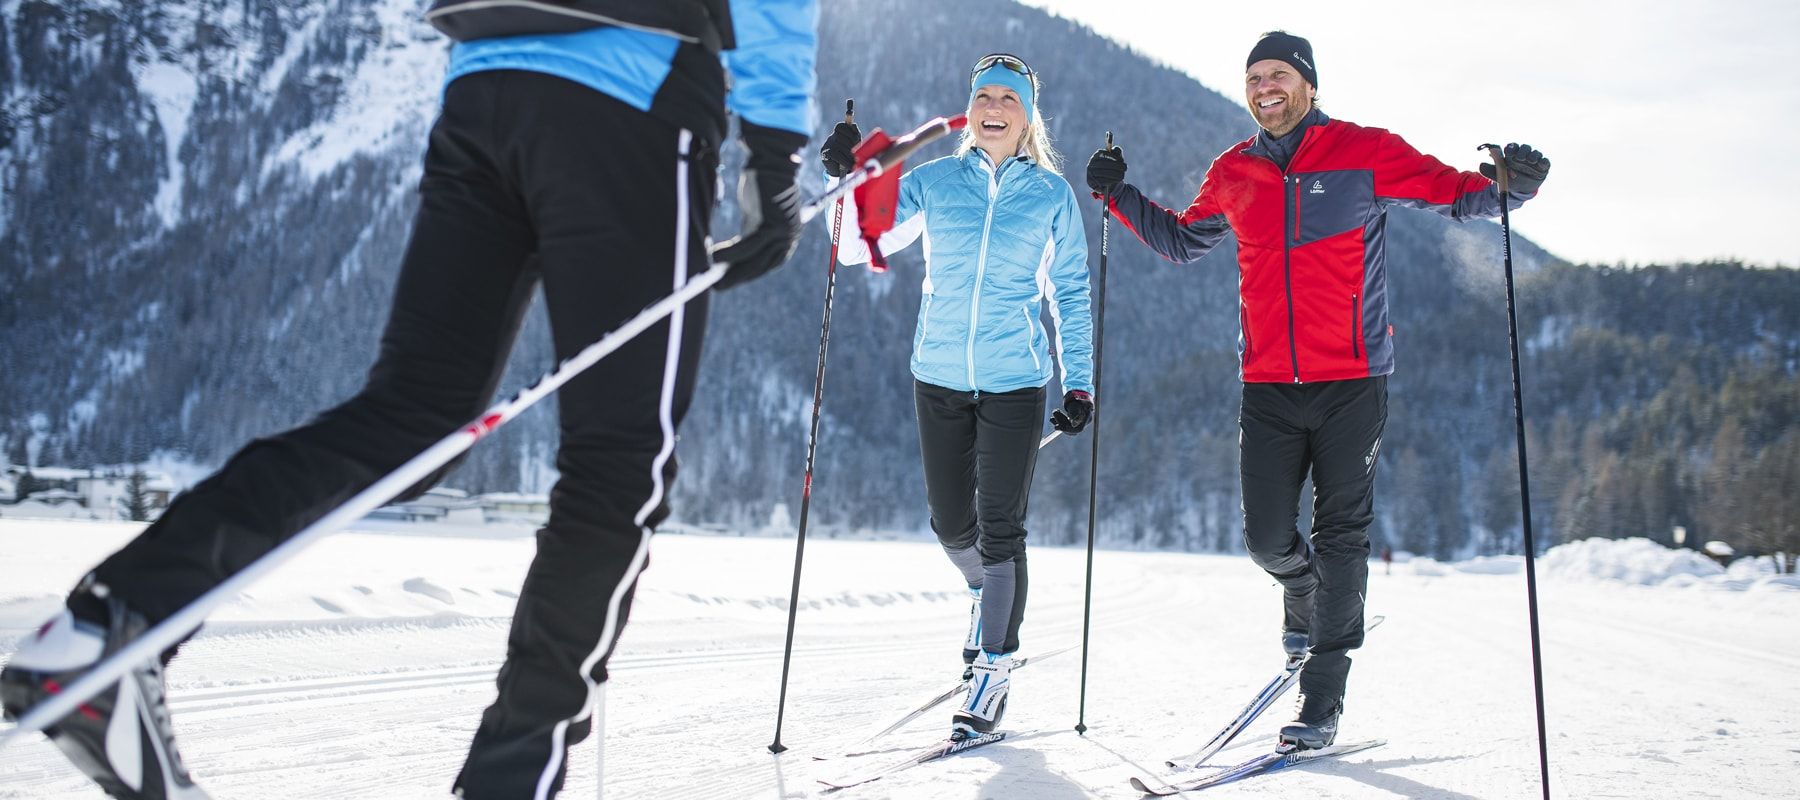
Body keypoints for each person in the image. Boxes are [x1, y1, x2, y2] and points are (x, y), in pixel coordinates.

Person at [0, 2, 817, 797]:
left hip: (480, 79)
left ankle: (112, 624)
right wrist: (776, 157)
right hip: (637, 86)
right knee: (617, 467)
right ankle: (508, 782)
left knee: (413, 419)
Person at [1084, 31, 1548, 750]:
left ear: (1308, 84)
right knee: (1266, 538)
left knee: (1343, 537)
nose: (1264, 87)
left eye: (1278, 75)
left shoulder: (1365, 151)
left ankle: (1321, 699)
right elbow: (1182, 240)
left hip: (1353, 383)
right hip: (1267, 383)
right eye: (1253, 78)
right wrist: (1118, 196)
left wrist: (1508, 188)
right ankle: (1298, 591)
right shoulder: (1234, 171)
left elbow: (1456, 195)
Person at [819, 52, 1095, 740]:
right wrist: (848, 182)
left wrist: (1080, 380)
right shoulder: (936, 181)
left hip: (1014, 381)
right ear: (970, 110)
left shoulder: (1052, 196)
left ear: (1026, 116)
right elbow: (858, 247)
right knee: (950, 525)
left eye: (1008, 97)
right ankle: (982, 594)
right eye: (984, 97)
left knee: (1002, 528)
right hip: (937, 373)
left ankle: (994, 671)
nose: (994, 107)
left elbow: (1070, 292)